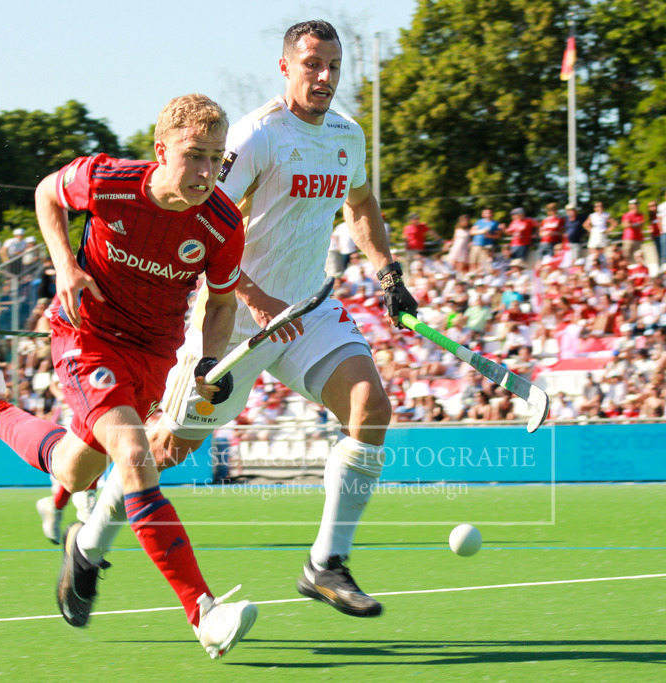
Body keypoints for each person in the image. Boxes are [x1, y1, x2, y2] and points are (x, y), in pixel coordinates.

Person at [70, 20, 418, 624]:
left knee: (371, 405)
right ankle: (89, 543)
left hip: (308, 310)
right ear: (286, 67)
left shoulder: (348, 136)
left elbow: (360, 207)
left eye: (334, 65)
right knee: (164, 451)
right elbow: (202, 225)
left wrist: (388, 271)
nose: (325, 77)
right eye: (312, 64)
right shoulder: (258, 136)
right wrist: (251, 297)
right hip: (236, 320)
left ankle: (326, 564)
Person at [0, 94, 257, 659]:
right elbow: (47, 194)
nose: (205, 172)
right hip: (86, 337)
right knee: (134, 455)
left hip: (153, 354)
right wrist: (66, 267)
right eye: (193, 155)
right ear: (161, 151)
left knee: (75, 471)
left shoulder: (222, 224)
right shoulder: (109, 180)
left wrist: (203, 363)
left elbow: (221, 305)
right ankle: (204, 611)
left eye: (216, 158)